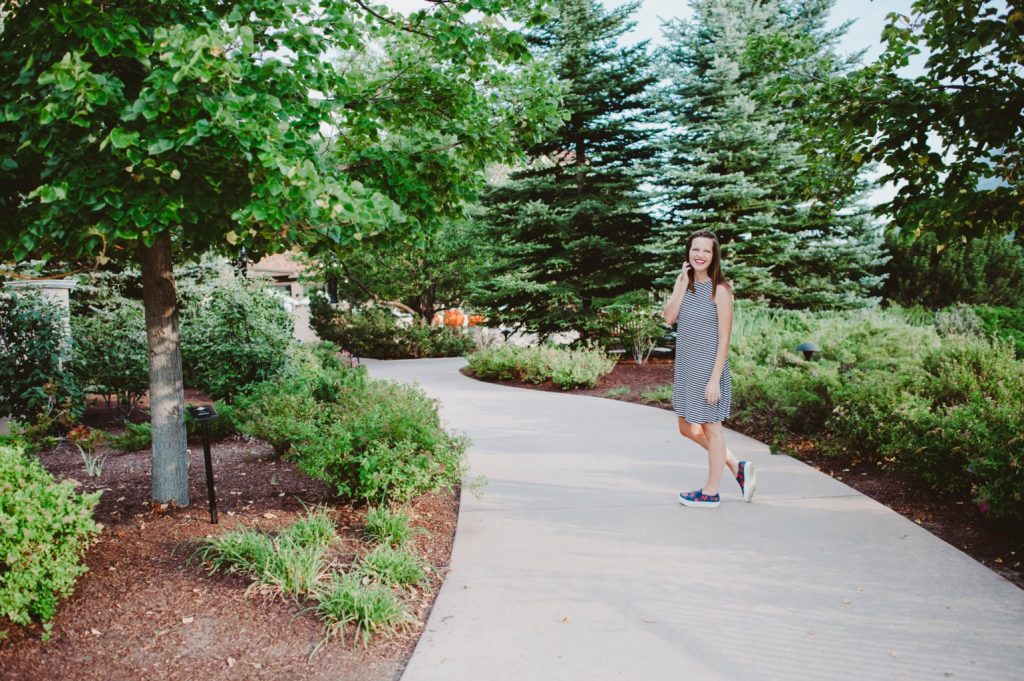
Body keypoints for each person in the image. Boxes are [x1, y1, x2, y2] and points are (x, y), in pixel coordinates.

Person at [662, 230, 756, 508]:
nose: (700, 255)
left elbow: (725, 338)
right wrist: (680, 283)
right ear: (688, 253)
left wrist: (715, 378)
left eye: (706, 250)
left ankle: (711, 491)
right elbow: (669, 317)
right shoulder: (687, 284)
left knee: (712, 429)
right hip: (687, 368)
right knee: (685, 427)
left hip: (708, 369)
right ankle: (737, 465)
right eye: (695, 250)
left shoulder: (721, 291)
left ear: (714, 256)